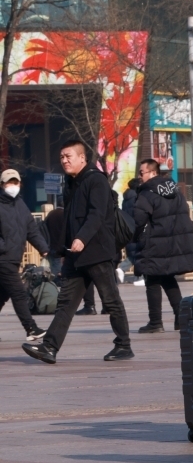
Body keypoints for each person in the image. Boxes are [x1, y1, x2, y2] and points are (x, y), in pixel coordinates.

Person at [22, 140, 133, 364]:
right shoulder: (72, 183)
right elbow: (68, 220)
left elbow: (97, 214)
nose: (64, 160)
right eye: (62, 157)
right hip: (75, 254)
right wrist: (63, 250)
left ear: (82, 158)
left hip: (98, 252)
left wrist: (82, 238)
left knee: (110, 301)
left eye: (68, 156)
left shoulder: (96, 180)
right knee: (66, 303)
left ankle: (123, 345)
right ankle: (50, 347)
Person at [132, 158, 193, 333]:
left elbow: (138, 220)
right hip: (173, 241)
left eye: (142, 173)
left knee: (152, 279)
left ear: (153, 173)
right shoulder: (176, 191)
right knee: (167, 277)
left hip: (155, 242)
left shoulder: (147, 193)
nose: (140, 177)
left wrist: (135, 236)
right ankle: (180, 318)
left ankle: (155, 322)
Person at [0, 169, 50, 341]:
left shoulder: (21, 206)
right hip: (3, 259)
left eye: (15, 182)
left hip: (15, 258)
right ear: (2, 185)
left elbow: (32, 230)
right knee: (19, 293)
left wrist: (43, 248)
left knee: (2, 295)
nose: (12, 186)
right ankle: (31, 328)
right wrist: (3, 246)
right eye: (9, 182)